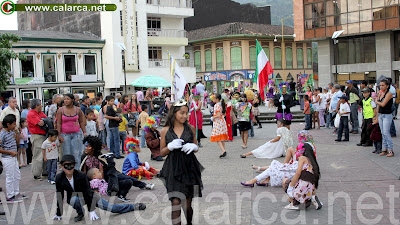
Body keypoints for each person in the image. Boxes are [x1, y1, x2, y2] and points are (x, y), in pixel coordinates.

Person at [159, 99, 203, 225]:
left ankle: (189, 222)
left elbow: (196, 146)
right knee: (176, 203)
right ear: (174, 113)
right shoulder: (165, 130)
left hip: (189, 168)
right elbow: (162, 152)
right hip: (173, 169)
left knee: (187, 205)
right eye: (182, 113)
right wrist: (170, 147)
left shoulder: (191, 128)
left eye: (186, 113)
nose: (185, 116)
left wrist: (194, 147)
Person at [54, 155, 98, 222]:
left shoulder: (81, 175)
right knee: (74, 199)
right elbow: (60, 195)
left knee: (110, 207)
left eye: (71, 165)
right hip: (74, 199)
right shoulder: (59, 178)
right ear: (62, 166)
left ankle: (120, 208)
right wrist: (59, 213)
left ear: (74, 165)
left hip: (90, 197)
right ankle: (80, 213)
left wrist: (91, 210)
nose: (69, 168)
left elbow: (88, 192)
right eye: (66, 165)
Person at [284, 142, 320, 210]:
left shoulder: (303, 158)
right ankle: (312, 199)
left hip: (301, 190)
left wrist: (291, 186)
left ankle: (294, 203)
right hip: (309, 191)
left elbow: (298, 173)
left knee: (285, 182)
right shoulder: (312, 161)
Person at [0, 114, 27, 203]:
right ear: (8, 124)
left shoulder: (12, 132)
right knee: (10, 176)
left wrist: (16, 133)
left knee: (16, 175)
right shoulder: (2, 134)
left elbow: (17, 142)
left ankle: (16, 192)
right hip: (7, 158)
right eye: (13, 124)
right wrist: (10, 152)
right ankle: (10, 195)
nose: (15, 125)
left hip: (14, 157)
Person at [56, 94, 86, 169]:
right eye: (65, 99)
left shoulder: (78, 110)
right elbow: (58, 123)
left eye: (68, 99)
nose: (66, 101)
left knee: (76, 153)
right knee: (67, 153)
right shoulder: (60, 110)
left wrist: (84, 132)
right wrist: (59, 135)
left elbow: (81, 122)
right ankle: (67, 170)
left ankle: (77, 170)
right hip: (65, 135)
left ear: (72, 100)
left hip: (76, 134)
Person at [27, 99, 47, 180]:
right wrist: (44, 120)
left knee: (44, 154)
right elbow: (40, 122)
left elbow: (46, 119)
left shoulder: (40, 113)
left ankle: (45, 172)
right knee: (38, 155)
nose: (41, 106)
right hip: (37, 136)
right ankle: (36, 174)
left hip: (43, 135)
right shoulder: (31, 113)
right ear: (36, 105)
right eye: (40, 104)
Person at [376, 79, 394, 157]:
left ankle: (390, 150)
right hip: (381, 114)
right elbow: (379, 106)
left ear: (387, 86)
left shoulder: (389, 94)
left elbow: (383, 104)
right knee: (383, 132)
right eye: (380, 85)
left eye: (383, 85)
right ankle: (385, 149)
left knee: (386, 132)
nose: (381, 87)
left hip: (387, 115)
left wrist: (376, 101)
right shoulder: (381, 94)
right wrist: (376, 116)